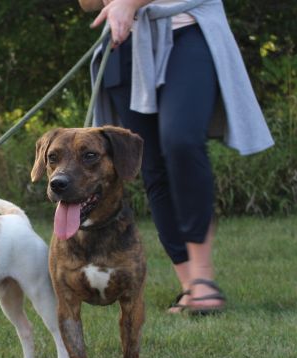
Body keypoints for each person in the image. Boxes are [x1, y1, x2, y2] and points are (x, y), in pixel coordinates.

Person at [78, 0, 273, 314]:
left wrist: (130, 3)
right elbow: (87, 4)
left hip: (187, 29)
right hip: (125, 43)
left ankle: (203, 277)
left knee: (181, 142)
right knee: (150, 165)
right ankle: (189, 285)